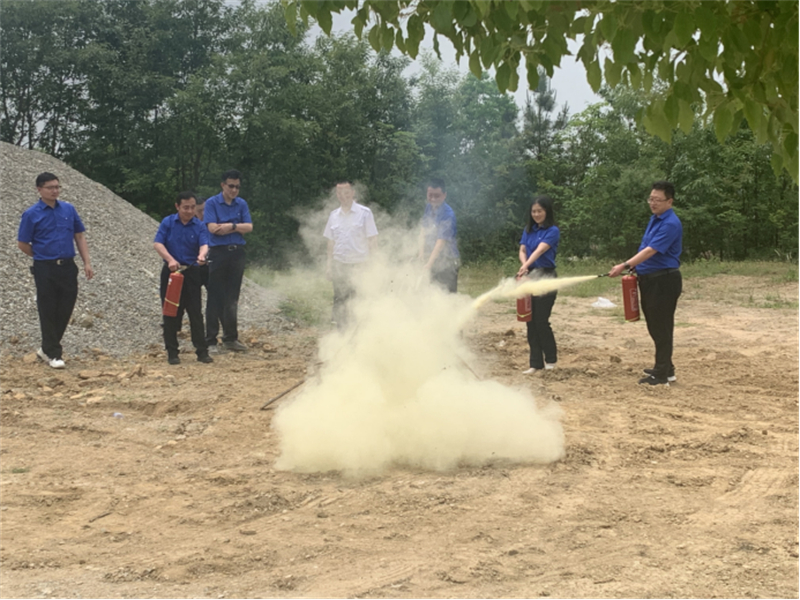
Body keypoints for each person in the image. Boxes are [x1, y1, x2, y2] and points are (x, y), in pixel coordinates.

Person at [17, 172, 94, 369]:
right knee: (48, 308)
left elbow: (79, 236)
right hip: (45, 267)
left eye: (57, 187)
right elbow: (23, 243)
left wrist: (87, 262)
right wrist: (41, 255)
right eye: (50, 187)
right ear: (39, 189)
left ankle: (46, 348)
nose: (55, 191)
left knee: (66, 306)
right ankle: (54, 353)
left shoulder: (68, 209)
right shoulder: (31, 214)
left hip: (68, 265)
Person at [609, 181, 683, 386]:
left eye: (657, 200)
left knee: (661, 327)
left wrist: (625, 265)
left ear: (669, 201)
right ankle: (666, 368)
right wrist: (636, 267)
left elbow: (651, 251)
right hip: (649, 279)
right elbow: (645, 248)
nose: (653, 203)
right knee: (655, 325)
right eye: (651, 199)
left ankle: (661, 375)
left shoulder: (670, 223)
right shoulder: (655, 219)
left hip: (664, 280)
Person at [153, 192, 212, 365]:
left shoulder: (199, 225)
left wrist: (202, 255)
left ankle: (202, 351)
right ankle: (172, 352)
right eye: (186, 207)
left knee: (195, 312)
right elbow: (158, 243)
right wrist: (170, 259)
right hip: (172, 273)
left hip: (192, 272)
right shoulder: (168, 222)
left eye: (192, 207)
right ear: (177, 206)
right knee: (170, 312)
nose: (189, 211)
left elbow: (204, 244)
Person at [203, 169, 253, 353]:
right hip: (218, 253)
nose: (234, 190)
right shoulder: (212, 203)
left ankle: (231, 338)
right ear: (223, 185)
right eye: (231, 186)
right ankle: (210, 340)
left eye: (237, 187)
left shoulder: (242, 203)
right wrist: (237, 227)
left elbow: (249, 227)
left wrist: (230, 226)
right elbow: (212, 228)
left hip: (237, 253)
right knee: (215, 297)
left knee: (232, 298)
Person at [323, 181, 378, 328]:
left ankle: (358, 332)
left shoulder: (365, 213)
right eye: (339, 193)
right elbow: (330, 242)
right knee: (340, 299)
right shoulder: (334, 215)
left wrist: (374, 264)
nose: (343, 196)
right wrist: (329, 266)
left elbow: (372, 239)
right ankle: (340, 333)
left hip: (359, 264)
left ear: (353, 193)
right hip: (339, 264)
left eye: (346, 193)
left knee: (357, 300)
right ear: (336, 194)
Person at [516, 196, 560, 374]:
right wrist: (525, 267)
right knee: (529, 321)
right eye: (533, 211)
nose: (536, 214)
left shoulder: (553, 230)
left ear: (546, 212)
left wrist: (525, 266)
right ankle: (535, 363)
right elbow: (523, 249)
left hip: (546, 276)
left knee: (541, 321)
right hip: (529, 275)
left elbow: (540, 250)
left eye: (539, 211)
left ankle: (551, 360)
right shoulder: (529, 230)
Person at [419, 178, 460, 292]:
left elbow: (440, 242)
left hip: (448, 262)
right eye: (430, 195)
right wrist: (421, 253)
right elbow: (423, 230)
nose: (433, 199)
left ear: (444, 195)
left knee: (447, 297)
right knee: (433, 293)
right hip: (433, 259)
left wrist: (429, 264)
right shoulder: (429, 207)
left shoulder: (448, 215)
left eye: (437, 196)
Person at [193, 198, 209, 292]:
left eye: (204, 210)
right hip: (194, 265)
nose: (203, 213)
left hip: (211, 266)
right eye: (199, 211)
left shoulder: (213, 224)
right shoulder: (190, 225)